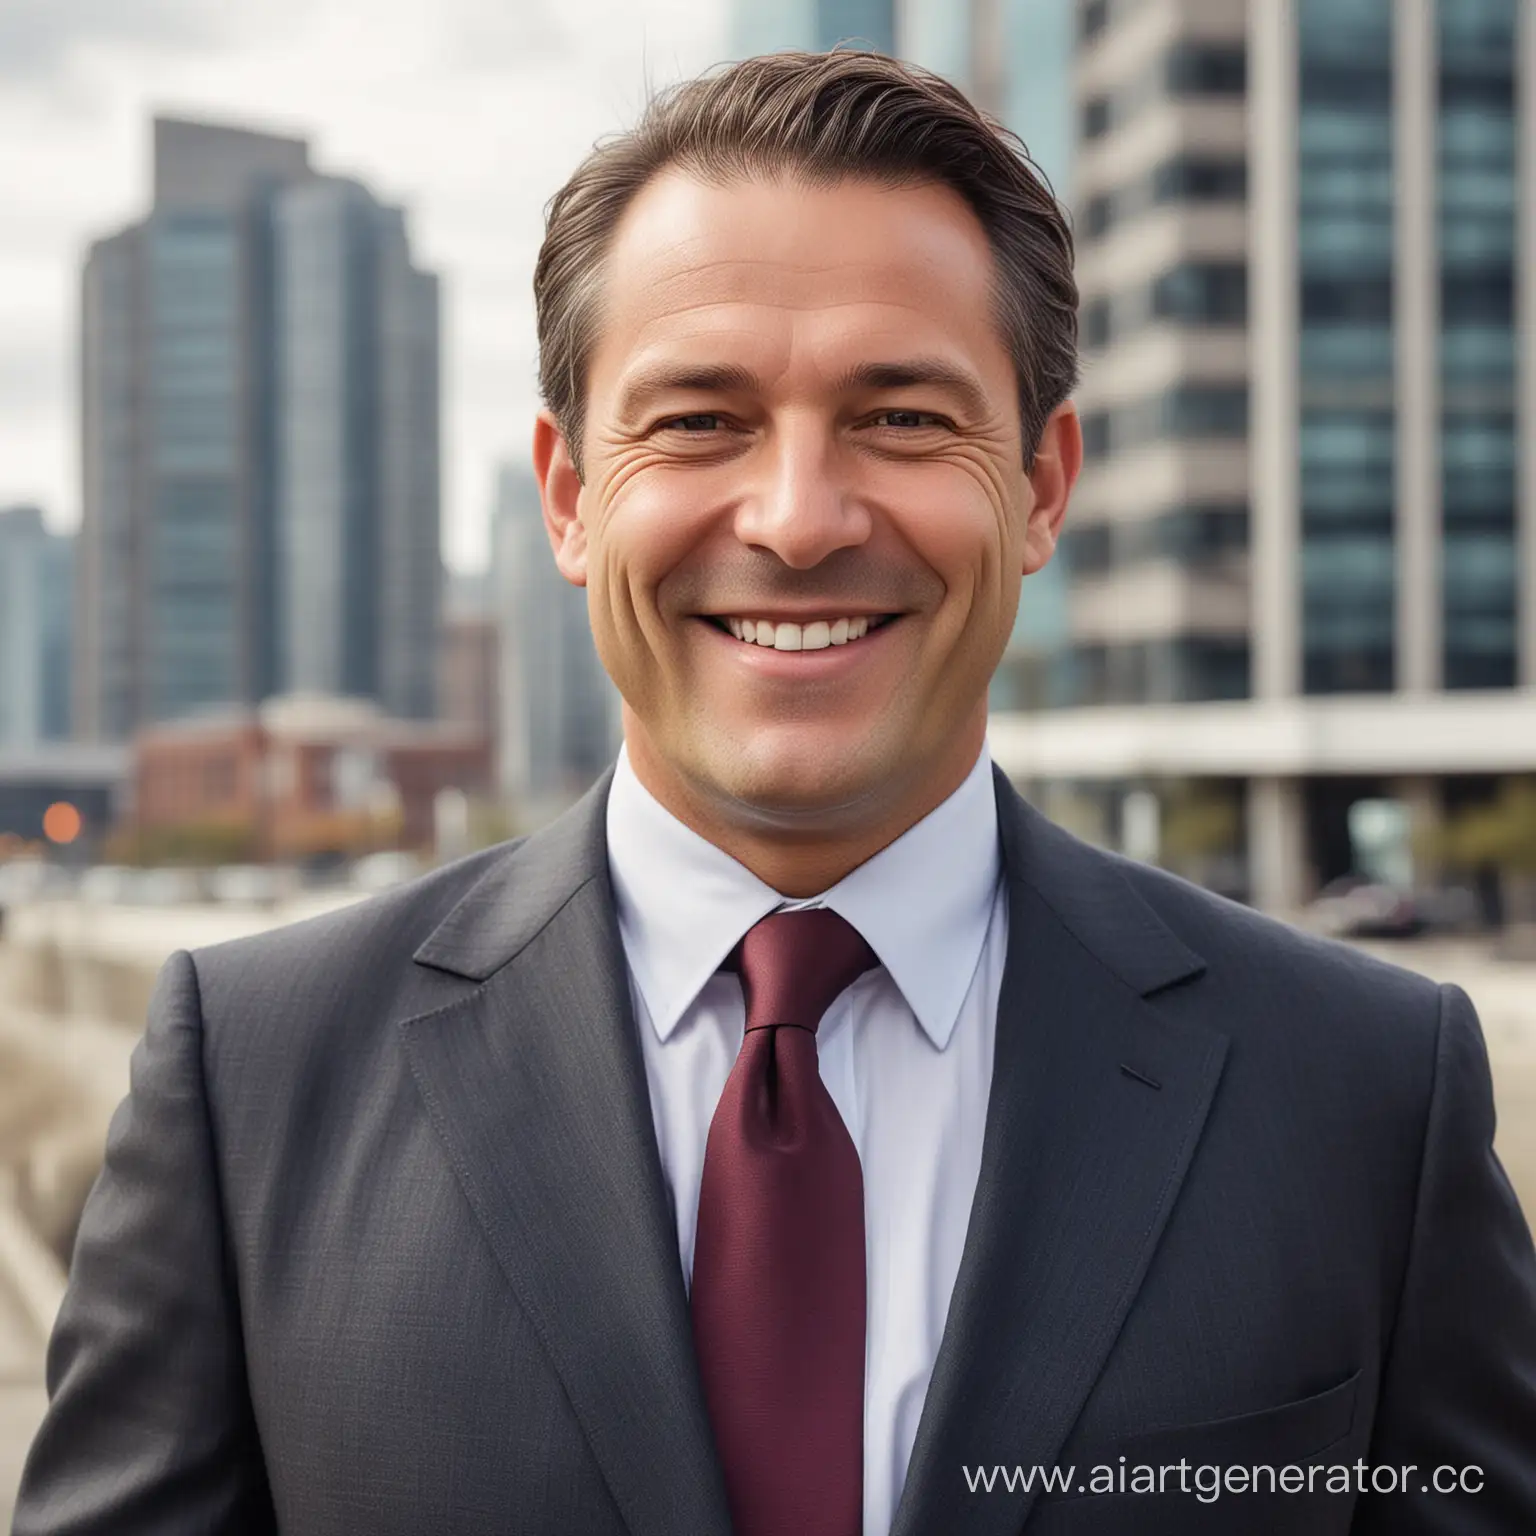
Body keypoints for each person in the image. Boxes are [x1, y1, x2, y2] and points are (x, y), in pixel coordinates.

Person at [15, 49, 1536, 1536]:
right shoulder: (251, 1082)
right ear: (566, 494)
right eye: (699, 421)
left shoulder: (1365, 1096)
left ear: (1044, 487)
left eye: (903, 417)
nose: (800, 520)